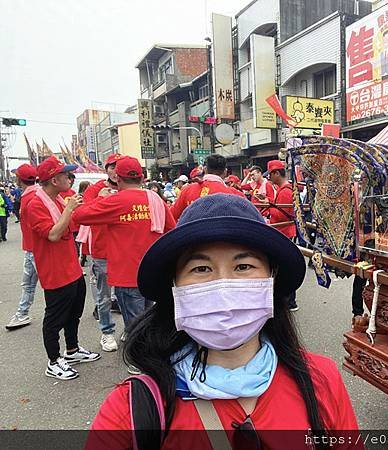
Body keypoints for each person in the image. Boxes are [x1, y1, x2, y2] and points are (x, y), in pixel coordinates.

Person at [87, 194, 360, 449]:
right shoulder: (134, 408)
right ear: (175, 284)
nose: (223, 287)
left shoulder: (320, 380)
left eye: (243, 267)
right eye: (201, 269)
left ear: (271, 278)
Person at [73, 156, 176, 367]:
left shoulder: (115, 200)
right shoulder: (155, 199)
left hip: (128, 275)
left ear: (118, 179)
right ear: (142, 177)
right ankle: (155, 357)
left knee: (135, 323)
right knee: (152, 318)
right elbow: (171, 229)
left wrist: (100, 198)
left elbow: (79, 216)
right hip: (155, 272)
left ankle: (139, 362)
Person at [28, 157, 100, 380]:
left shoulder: (59, 199)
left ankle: (72, 350)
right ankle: (53, 360)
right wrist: (69, 209)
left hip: (71, 267)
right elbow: (52, 234)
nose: (70, 178)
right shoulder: (36, 204)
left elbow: (75, 223)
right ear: (53, 179)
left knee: (74, 313)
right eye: (65, 174)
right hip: (55, 271)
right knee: (54, 318)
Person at [76, 153, 123, 352]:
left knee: (126, 295)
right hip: (102, 251)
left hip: (125, 251)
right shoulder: (95, 190)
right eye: (111, 166)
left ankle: (129, 330)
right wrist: (100, 200)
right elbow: (82, 215)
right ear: (106, 169)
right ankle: (107, 332)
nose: (115, 170)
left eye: (119, 166)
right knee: (103, 297)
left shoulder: (128, 189)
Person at [5, 164, 39, 330]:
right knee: (28, 284)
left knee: (47, 286)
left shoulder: (32, 197)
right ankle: (22, 313)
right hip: (32, 248)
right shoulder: (32, 195)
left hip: (37, 250)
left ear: (19, 179)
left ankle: (24, 313)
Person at [171, 154, 245, 221]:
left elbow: (172, 216)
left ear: (205, 169)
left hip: (192, 234)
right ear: (225, 172)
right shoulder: (235, 194)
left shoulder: (187, 190)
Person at [267, 159, 300, 311]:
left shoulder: (285, 191)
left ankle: (289, 301)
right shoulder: (284, 189)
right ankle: (288, 300)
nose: (269, 178)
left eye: (270, 174)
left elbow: (282, 215)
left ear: (276, 173)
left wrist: (269, 209)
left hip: (285, 232)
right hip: (284, 232)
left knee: (284, 267)